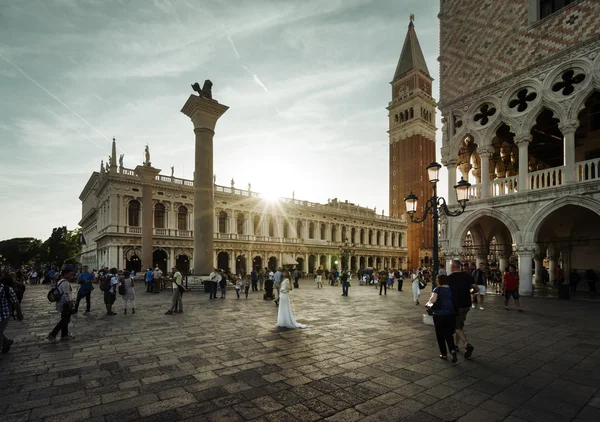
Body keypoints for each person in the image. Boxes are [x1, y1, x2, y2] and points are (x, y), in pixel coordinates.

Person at [447, 260, 478, 358]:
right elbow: (476, 289)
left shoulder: (450, 278)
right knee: (460, 325)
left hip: (456, 305)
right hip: (466, 304)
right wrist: (468, 292)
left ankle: (466, 344)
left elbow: (447, 292)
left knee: (456, 327)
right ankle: (456, 345)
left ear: (452, 267)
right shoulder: (468, 276)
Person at [426, 275, 457, 362]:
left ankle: (444, 354)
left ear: (440, 281)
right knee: (449, 334)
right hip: (451, 314)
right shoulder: (452, 289)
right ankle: (452, 350)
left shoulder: (437, 289)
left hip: (439, 314)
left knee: (440, 335)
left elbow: (432, 300)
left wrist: (428, 304)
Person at [46, 269, 75, 342]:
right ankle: (52, 334)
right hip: (65, 304)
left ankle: (64, 335)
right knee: (65, 320)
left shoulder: (60, 281)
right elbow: (66, 295)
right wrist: (70, 304)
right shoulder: (65, 283)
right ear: (65, 274)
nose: (71, 276)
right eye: (70, 274)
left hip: (61, 303)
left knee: (65, 319)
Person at [1, 275, 24, 354]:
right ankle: (6, 342)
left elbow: (15, 302)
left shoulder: (6, 289)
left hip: (3, 315)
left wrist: (19, 314)